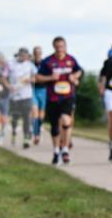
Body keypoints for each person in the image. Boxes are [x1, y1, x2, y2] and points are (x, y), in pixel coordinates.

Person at [35, 37, 82, 165]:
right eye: (57, 47)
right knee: (55, 126)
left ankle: (65, 149)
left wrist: (74, 76)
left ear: (65, 46)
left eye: (62, 46)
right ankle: (56, 151)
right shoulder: (48, 62)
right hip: (52, 98)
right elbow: (37, 77)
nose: (60, 49)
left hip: (67, 96)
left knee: (66, 120)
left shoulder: (71, 60)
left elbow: (79, 71)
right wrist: (50, 77)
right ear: (53, 47)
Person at [8, 47, 37, 148]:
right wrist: (8, 86)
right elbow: (3, 77)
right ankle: (14, 132)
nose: (24, 57)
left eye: (26, 55)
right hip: (14, 96)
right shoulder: (10, 64)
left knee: (26, 118)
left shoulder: (30, 65)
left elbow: (35, 77)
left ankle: (26, 139)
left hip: (26, 95)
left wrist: (31, 80)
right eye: (22, 55)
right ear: (19, 55)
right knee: (15, 117)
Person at [31, 45, 47, 145]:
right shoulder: (30, 64)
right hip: (32, 90)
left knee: (41, 115)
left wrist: (40, 78)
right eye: (36, 53)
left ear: (41, 54)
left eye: (39, 53)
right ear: (34, 54)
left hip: (43, 90)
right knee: (35, 113)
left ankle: (39, 126)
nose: (37, 55)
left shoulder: (45, 64)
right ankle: (36, 135)